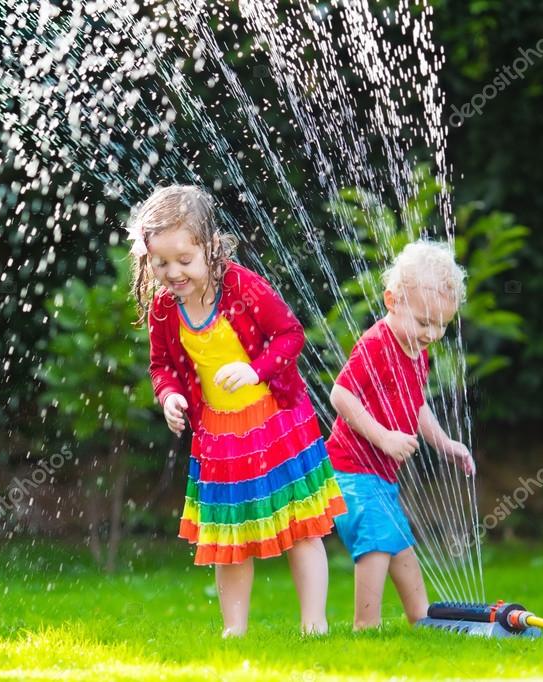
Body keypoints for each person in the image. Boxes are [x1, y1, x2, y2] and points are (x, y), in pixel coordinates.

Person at [129, 184, 346, 637]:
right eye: (160, 263)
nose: (173, 273)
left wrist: (256, 371)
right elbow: (161, 366)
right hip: (221, 436)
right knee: (229, 538)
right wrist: (170, 397)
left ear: (210, 247)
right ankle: (234, 630)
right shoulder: (165, 310)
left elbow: (290, 335)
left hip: (277, 420)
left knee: (301, 524)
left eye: (184, 261)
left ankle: (314, 623)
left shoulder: (243, 287)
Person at [326, 239, 475, 630]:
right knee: (376, 544)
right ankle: (366, 627)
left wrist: (444, 443)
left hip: (381, 477)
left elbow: (416, 404)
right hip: (351, 471)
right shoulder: (377, 344)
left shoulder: (418, 352)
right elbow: (340, 394)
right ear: (392, 301)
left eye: (442, 325)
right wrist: (384, 438)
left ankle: (422, 619)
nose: (432, 333)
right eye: (424, 321)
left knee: (403, 551)